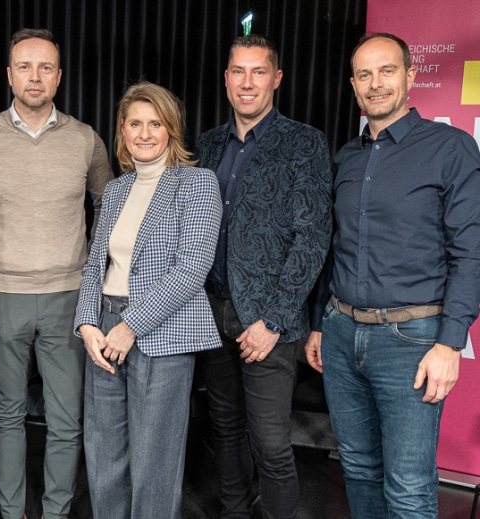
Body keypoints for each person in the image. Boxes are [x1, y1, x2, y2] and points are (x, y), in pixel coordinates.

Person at [305, 32, 480, 518]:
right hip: (341, 334)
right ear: (353, 85)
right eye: (364, 74)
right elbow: (335, 246)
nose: (375, 83)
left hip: (412, 341)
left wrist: (449, 344)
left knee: (407, 488)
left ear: (410, 75)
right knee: (359, 468)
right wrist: (320, 323)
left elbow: (471, 252)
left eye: (387, 70)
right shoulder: (347, 156)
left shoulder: (451, 148)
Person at [0, 28, 113, 519]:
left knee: (66, 418)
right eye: (24, 66)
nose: (35, 76)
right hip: (1, 294)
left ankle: (56, 511)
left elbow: (111, 208)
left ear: (59, 77)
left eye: (46, 67)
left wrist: (97, 273)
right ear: (9, 75)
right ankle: (12, 511)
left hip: (70, 298)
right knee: (5, 413)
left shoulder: (85, 139)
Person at [195, 34, 332, 519]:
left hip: (269, 321)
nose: (247, 82)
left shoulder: (304, 143)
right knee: (225, 431)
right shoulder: (207, 144)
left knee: (271, 443)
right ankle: (234, 512)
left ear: (276, 79)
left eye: (258, 72)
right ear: (226, 78)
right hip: (210, 312)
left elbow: (313, 238)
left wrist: (273, 320)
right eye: (238, 71)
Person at [74, 81, 222, 519]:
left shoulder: (197, 183)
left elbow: (191, 268)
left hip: (162, 333)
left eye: (155, 123)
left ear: (171, 128)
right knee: (103, 455)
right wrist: (87, 323)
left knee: (154, 462)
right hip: (105, 329)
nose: (144, 133)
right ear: (122, 130)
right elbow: (94, 264)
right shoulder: (116, 190)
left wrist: (131, 325)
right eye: (135, 123)